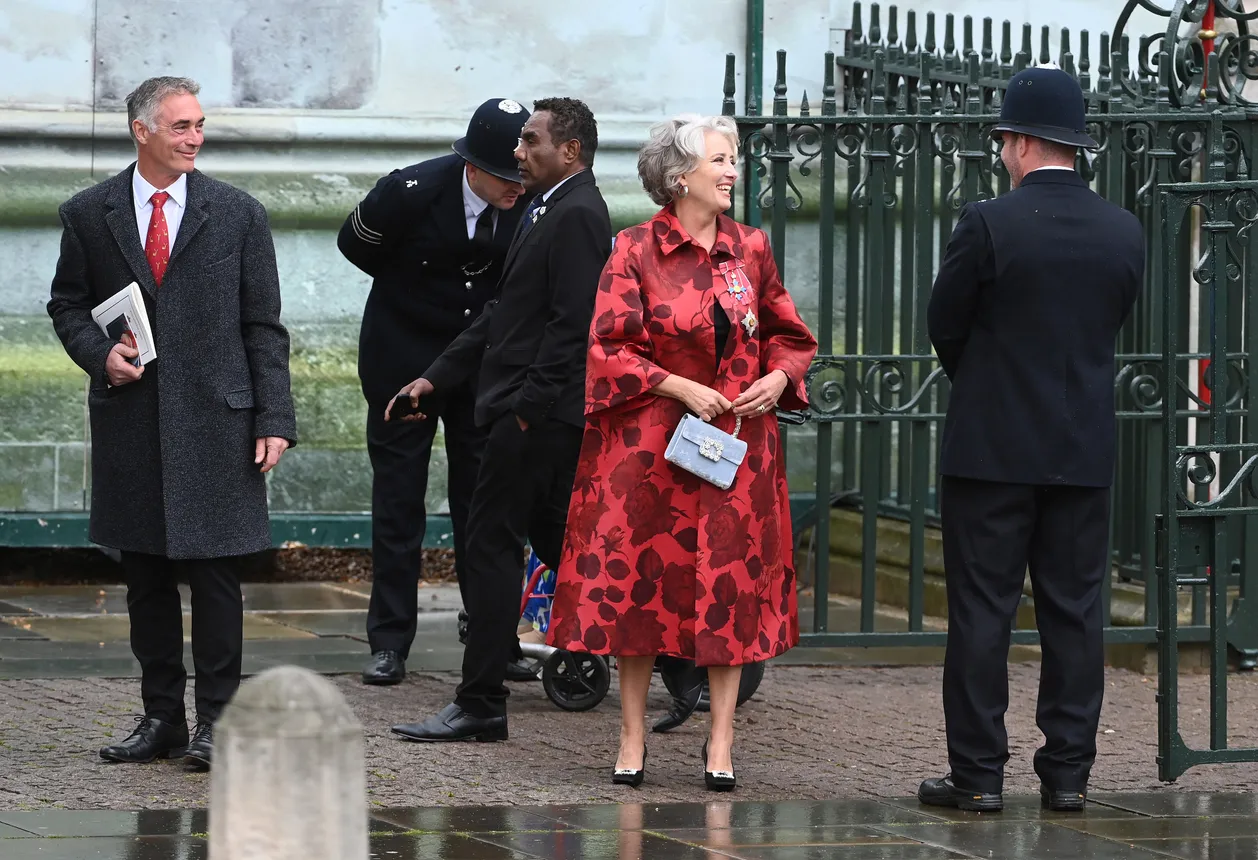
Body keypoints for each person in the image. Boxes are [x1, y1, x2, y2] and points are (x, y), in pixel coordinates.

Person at [545, 114, 817, 790]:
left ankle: (720, 739)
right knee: (643, 594)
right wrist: (677, 385)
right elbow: (608, 345)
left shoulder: (750, 248)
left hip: (736, 450)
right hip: (648, 451)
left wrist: (779, 377)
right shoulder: (633, 249)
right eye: (721, 160)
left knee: (732, 597)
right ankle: (632, 734)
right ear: (679, 175)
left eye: (734, 159)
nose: (733, 171)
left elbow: (789, 332)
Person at [46, 76, 297, 771]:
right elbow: (67, 306)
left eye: (199, 124)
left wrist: (275, 417)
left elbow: (263, 326)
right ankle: (162, 718)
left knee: (216, 578)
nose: (195, 137)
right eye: (181, 126)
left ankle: (219, 724)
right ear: (142, 130)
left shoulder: (239, 213)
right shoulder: (89, 213)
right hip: (131, 419)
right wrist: (101, 356)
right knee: (145, 579)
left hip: (219, 422)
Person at [919, 66, 1143, 812]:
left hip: (991, 447)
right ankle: (1069, 774)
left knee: (983, 613)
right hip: (1081, 448)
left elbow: (945, 323)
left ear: (1017, 142)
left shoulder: (988, 222)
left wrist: (985, 383)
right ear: (1072, 144)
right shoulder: (1123, 229)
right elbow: (1111, 321)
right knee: (1076, 613)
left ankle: (979, 776)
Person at [388, 97, 612, 742]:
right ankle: (677, 655)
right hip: (521, 413)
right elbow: (501, 314)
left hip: (532, 419)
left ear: (569, 150)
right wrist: (436, 377)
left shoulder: (579, 215)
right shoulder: (549, 207)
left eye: (530, 141)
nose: (517, 152)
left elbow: (574, 331)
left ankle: (481, 701)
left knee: (489, 549)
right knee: (562, 544)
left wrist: (525, 413)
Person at [337, 98, 533, 687]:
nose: (515, 187)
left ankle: (493, 638)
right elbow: (356, 246)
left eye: (521, 174)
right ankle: (390, 642)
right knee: (400, 506)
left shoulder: (529, 204)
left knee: (485, 507)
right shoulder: (410, 191)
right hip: (406, 364)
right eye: (505, 176)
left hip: (480, 370)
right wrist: (414, 301)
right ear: (472, 165)